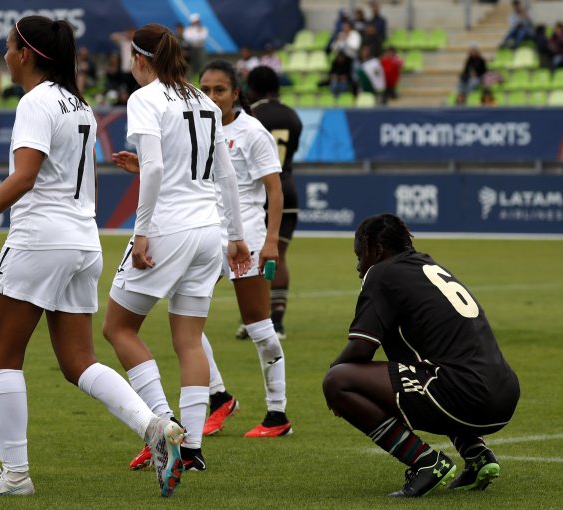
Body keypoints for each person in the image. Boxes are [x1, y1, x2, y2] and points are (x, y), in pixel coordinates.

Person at [0, 15, 186, 498]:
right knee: (78, 361)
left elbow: (25, 177)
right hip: (82, 241)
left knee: (3, 358)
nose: (3, 55)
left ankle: (16, 475)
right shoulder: (79, 105)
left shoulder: (36, 101)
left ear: (25, 54)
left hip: (39, 240)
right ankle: (154, 426)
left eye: (8, 47)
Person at [102, 24, 251, 474]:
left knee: (118, 328)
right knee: (188, 341)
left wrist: (142, 231)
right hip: (208, 231)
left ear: (140, 59)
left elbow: (156, 165)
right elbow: (223, 174)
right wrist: (237, 235)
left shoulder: (144, 98)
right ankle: (192, 449)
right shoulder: (204, 101)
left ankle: (164, 424)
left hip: (167, 227)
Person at [323, 213, 519, 497]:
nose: (358, 266)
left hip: (466, 395)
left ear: (376, 250)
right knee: (426, 367)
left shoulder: (381, 273)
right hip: (504, 393)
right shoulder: (426, 265)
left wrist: (334, 372)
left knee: (338, 381)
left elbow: (362, 348)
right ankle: (476, 454)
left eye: (359, 255)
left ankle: (426, 462)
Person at [194, 61, 289, 439]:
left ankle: (277, 414)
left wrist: (270, 241)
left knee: (259, 328)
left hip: (245, 238)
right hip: (204, 236)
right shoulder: (198, 128)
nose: (212, 97)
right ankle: (219, 395)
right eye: (205, 90)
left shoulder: (252, 132)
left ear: (236, 93)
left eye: (219, 90)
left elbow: (274, 190)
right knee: (183, 316)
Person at [244, 66, 303, 340]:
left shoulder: (250, 115)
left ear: (252, 88)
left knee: (251, 256)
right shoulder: (292, 115)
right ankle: (276, 323)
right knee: (279, 253)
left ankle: (256, 320)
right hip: (288, 188)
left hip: (261, 191)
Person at [183, 13, 208, 79]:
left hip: (200, 49)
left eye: (197, 21)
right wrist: (197, 36)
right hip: (191, 49)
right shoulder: (188, 29)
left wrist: (196, 37)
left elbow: (203, 37)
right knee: (192, 65)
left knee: (201, 64)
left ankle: (202, 78)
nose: (196, 23)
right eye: (194, 22)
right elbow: (187, 38)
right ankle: (192, 80)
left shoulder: (203, 29)